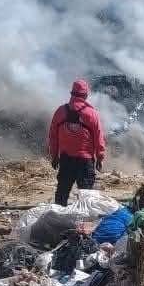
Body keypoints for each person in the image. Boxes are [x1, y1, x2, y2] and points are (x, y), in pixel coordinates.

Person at [48, 78, 106, 206]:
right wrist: (100, 158)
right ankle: (84, 224)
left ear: (72, 93)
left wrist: (54, 156)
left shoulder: (60, 111)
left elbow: (53, 136)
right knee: (86, 196)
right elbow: (98, 137)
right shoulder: (92, 114)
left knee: (62, 193)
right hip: (85, 161)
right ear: (85, 95)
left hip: (65, 159)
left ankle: (57, 220)